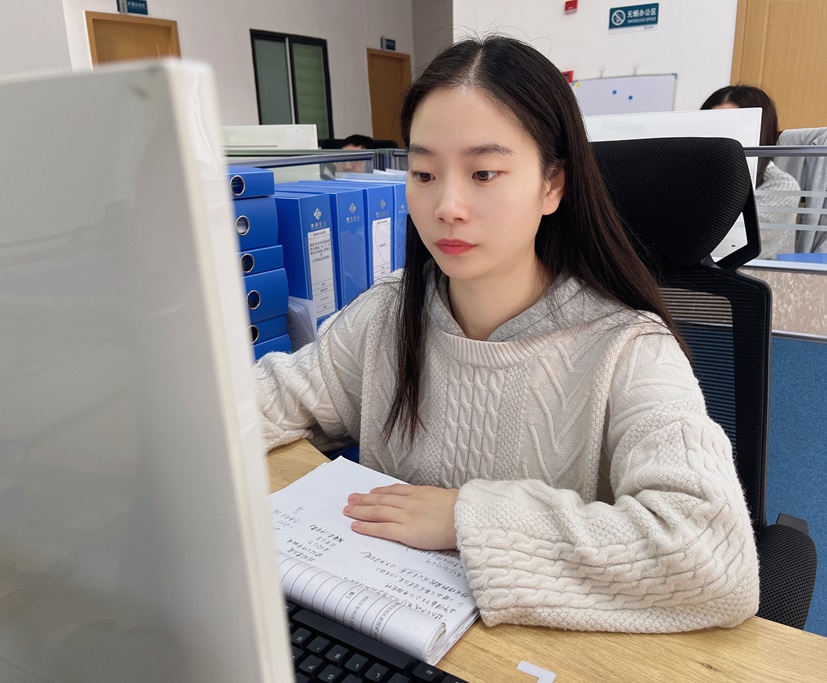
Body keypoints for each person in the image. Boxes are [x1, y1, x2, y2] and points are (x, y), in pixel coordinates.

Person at [256, 36, 759, 634]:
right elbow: (271, 399)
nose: (447, 205)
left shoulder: (628, 347)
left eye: (484, 173)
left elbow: (714, 558)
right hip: (388, 626)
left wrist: (464, 519)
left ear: (552, 185)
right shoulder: (389, 313)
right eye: (424, 173)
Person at [700, 85, 800, 259]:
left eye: (729, 127)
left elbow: (731, 246)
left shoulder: (781, 186)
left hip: (749, 273)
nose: (718, 136)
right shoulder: (701, 175)